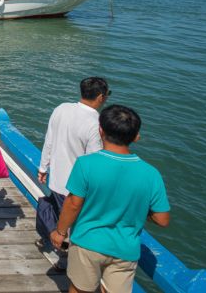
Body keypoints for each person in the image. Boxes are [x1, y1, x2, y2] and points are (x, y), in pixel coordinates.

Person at [50, 105, 170, 293]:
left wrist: (60, 232)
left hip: (87, 243)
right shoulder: (151, 174)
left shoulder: (86, 164)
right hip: (125, 249)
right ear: (136, 136)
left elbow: (73, 204)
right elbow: (162, 219)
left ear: (101, 131)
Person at [37, 77, 109, 257]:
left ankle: (47, 237)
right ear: (100, 97)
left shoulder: (61, 108)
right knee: (70, 224)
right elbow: (94, 162)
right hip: (75, 187)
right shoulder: (96, 124)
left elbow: (49, 139)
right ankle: (63, 257)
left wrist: (43, 167)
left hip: (56, 178)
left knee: (54, 210)